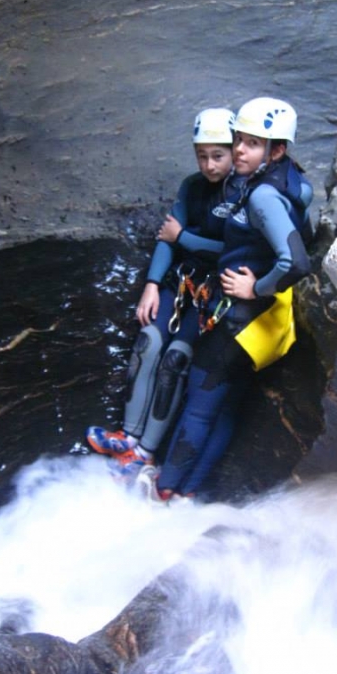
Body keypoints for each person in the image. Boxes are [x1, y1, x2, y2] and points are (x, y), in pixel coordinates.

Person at [138, 96, 313, 502]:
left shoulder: (263, 196)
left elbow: (297, 262)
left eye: (252, 144)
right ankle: (187, 495)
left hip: (243, 319)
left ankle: (164, 491)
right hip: (267, 323)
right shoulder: (292, 181)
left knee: (199, 407)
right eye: (239, 140)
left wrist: (257, 286)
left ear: (278, 149)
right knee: (225, 407)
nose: (238, 150)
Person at [86, 108, 240, 469]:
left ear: (234, 152)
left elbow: (229, 251)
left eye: (218, 156)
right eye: (202, 156)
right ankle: (127, 435)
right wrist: (151, 285)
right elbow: (166, 238)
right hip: (181, 280)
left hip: (214, 292)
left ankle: (145, 452)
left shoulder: (244, 196)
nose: (209, 165)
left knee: (176, 359)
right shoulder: (192, 187)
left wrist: (185, 237)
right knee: (149, 343)